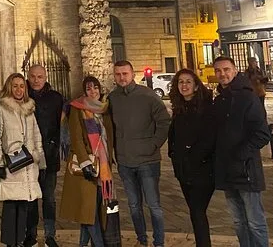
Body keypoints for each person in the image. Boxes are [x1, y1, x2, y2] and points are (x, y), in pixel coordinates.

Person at [108, 60, 170, 247]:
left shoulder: (148, 96)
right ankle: (141, 239)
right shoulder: (112, 98)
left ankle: (158, 242)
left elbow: (164, 122)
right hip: (125, 161)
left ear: (132, 74)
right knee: (134, 205)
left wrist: (154, 144)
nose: (122, 78)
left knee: (154, 205)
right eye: (118, 74)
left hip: (147, 161)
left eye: (125, 74)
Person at [213, 56, 270, 247]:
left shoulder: (248, 97)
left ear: (235, 70)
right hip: (227, 171)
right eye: (218, 70)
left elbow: (262, 134)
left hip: (246, 169)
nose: (222, 74)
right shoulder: (220, 99)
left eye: (226, 69)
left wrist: (240, 155)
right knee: (238, 221)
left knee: (255, 222)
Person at [0, 73, 46, 247]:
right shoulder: (1, 109)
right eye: (15, 85)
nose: (18, 89)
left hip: (28, 165)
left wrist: (40, 159)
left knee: (24, 205)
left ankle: (21, 240)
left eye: (22, 86)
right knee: (10, 206)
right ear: (9, 87)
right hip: (11, 164)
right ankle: (10, 242)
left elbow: (36, 135)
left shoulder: (29, 109)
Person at [61, 76, 115, 247]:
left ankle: (83, 244)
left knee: (92, 210)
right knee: (88, 210)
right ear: (84, 92)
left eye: (95, 88)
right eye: (89, 89)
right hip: (86, 166)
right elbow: (76, 138)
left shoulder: (105, 109)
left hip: (103, 166)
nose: (93, 91)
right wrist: (85, 163)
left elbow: (110, 136)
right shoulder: (77, 108)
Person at [167, 69, 215, 247]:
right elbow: (174, 135)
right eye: (180, 82)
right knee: (195, 211)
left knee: (197, 211)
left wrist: (193, 157)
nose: (184, 85)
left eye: (188, 81)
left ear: (196, 86)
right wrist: (173, 154)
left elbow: (209, 138)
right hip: (183, 170)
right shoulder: (179, 108)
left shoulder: (206, 108)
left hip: (202, 170)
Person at [25, 64, 66, 247]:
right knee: (30, 197)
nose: (36, 80)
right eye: (33, 76)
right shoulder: (22, 96)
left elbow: (62, 125)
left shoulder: (56, 98)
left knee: (49, 197)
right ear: (28, 76)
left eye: (40, 76)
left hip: (49, 155)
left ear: (45, 77)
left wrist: (55, 145)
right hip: (29, 157)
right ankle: (31, 234)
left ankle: (50, 234)